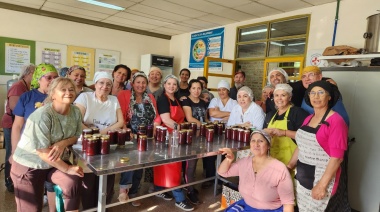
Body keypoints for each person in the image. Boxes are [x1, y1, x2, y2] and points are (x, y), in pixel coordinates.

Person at [11, 77, 84, 212]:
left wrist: (63, 143)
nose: (68, 92)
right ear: (52, 94)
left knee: (72, 180)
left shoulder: (75, 111)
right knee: (32, 208)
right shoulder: (43, 115)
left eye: (71, 89)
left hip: (52, 164)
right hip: (29, 166)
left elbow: (76, 135)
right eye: (63, 89)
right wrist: (67, 168)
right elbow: (43, 152)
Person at [295, 81, 349, 212]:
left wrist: (321, 186)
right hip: (303, 178)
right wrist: (290, 166)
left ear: (329, 97)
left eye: (321, 92)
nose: (316, 96)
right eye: (312, 93)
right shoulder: (308, 118)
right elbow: (302, 146)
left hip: (322, 179)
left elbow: (337, 158)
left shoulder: (336, 121)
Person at [11, 63, 59, 210]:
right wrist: (14, 152)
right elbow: (17, 126)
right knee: (31, 200)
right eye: (48, 77)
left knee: (52, 189)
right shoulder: (27, 97)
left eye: (55, 77)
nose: (52, 80)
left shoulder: (59, 96)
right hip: (30, 152)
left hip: (51, 153)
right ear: (39, 78)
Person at [74, 71, 124, 209]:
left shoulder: (113, 100)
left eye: (108, 84)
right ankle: (90, 208)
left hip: (107, 145)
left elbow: (120, 122)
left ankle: (104, 208)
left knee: (107, 181)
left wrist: (101, 133)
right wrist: (97, 134)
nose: (105, 86)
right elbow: (77, 120)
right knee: (88, 182)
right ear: (95, 84)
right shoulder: (85, 97)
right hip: (87, 144)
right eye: (101, 83)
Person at [218, 130, 295, 212]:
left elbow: (288, 204)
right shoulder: (244, 162)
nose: (256, 144)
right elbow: (222, 172)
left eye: (260, 141)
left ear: (268, 146)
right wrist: (229, 160)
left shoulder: (279, 169)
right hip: (246, 206)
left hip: (270, 210)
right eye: (253, 141)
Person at [117, 72, 161, 206]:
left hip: (147, 136)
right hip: (130, 135)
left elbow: (157, 116)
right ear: (132, 83)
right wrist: (125, 128)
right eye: (138, 82)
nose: (140, 85)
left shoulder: (151, 97)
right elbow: (119, 114)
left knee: (140, 165)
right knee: (130, 163)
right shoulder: (123, 95)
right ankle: (123, 189)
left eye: (143, 83)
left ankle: (134, 192)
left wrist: (155, 126)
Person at [155, 74, 194, 211]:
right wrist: (182, 129)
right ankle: (179, 199)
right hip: (167, 137)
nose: (172, 86)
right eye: (169, 83)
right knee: (172, 167)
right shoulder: (162, 99)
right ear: (164, 85)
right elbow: (166, 120)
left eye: (174, 84)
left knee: (168, 166)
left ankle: (159, 188)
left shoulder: (176, 99)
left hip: (176, 136)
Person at [1, 63, 35, 192]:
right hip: (11, 124)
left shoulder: (26, 86)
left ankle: (19, 179)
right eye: (34, 73)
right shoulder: (17, 86)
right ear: (27, 73)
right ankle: (10, 182)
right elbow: (16, 109)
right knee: (12, 151)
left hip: (20, 124)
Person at [263, 84, 308, 178]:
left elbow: (306, 137)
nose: (279, 98)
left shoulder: (298, 113)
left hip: (292, 162)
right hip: (273, 160)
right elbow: (263, 136)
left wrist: (283, 132)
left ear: (290, 97)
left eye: (283, 95)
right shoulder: (270, 115)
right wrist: (264, 132)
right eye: (276, 95)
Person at [181, 79, 208, 204]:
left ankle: (189, 185)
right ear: (189, 89)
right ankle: (189, 190)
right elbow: (189, 118)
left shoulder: (203, 102)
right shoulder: (186, 100)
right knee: (190, 164)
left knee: (196, 162)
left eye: (198, 88)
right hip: (191, 136)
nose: (196, 91)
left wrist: (207, 125)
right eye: (194, 88)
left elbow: (206, 118)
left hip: (202, 136)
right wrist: (205, 126)